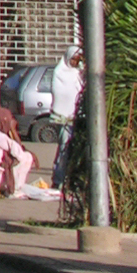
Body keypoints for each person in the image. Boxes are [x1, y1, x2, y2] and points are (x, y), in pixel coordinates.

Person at [49, 44, 84, 187]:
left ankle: (71, 179)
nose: (75, 62)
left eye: (77, 60)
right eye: (73, 59)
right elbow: (60, 93)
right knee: (64, 147)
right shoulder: (59, 73)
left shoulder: (78, 73)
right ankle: (58, 179)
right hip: (63, 117)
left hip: (77, 115)